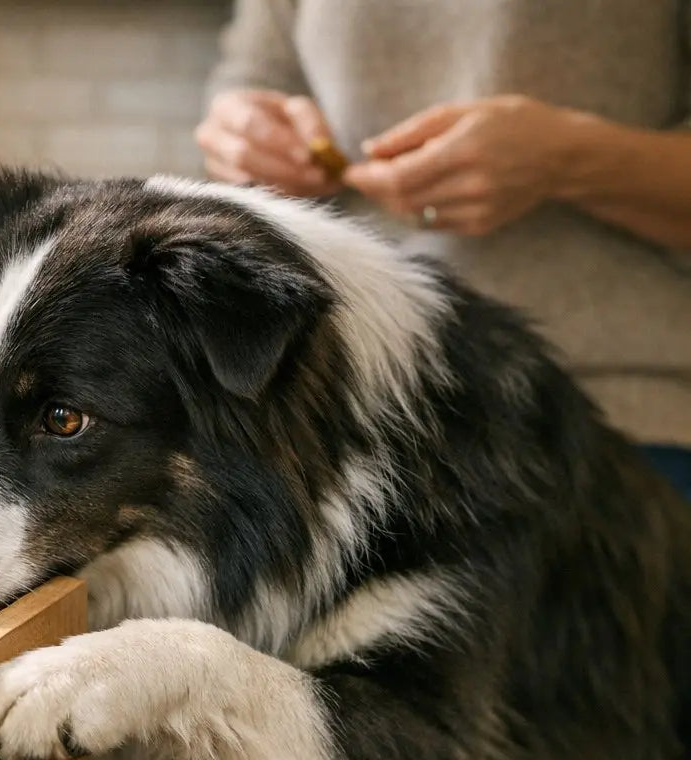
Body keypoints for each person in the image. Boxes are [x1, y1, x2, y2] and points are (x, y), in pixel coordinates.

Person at [195, 0, 691, 482]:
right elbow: (255, 77)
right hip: (344, 413)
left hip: (620, 414)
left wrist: (572, 161)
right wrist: (245, 137)